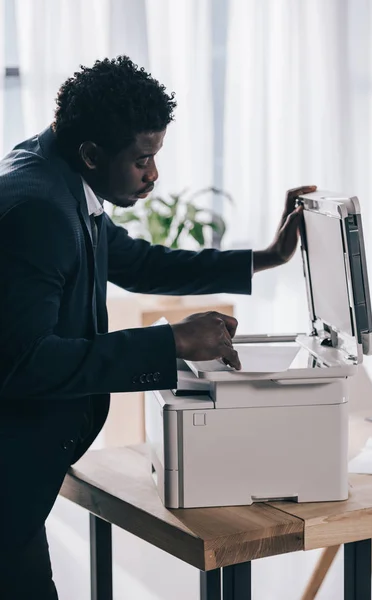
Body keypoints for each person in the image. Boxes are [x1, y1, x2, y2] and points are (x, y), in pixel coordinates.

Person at [0, 55, 315, 598]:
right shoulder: (39, 208)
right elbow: (24, 363)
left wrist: (266, 257)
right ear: (93, 154)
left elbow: (138, 262)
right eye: (143, 159)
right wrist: (171, 340)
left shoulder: (57, 170)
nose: (154, 174)